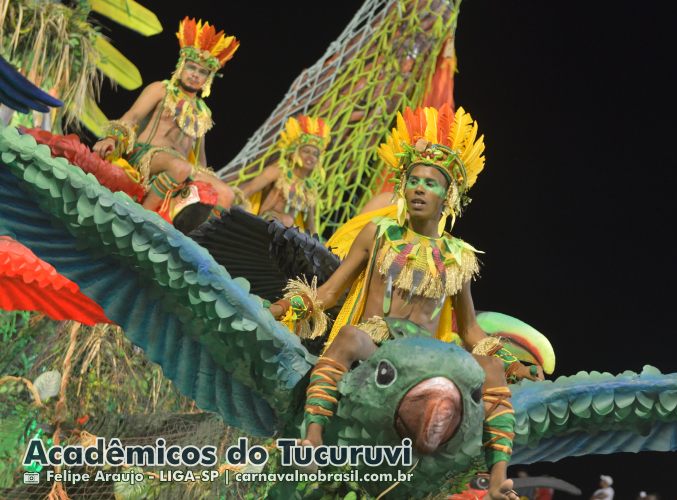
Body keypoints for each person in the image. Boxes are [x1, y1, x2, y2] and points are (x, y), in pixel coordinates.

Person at [271, 105, 542, 500]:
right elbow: (329, 293)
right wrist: (280, 310)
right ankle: (313, 437)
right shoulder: (377, 233)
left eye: (430, 183)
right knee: (347, 336)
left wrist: (511, 364)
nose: (419, 188)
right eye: (413, 180)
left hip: (430, 355)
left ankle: (499, 478)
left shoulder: (459, 256)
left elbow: (469, 331)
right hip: (378, 340)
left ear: (447, 194)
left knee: (489, 371)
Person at [93, 17, 238, 222]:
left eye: (202, 72)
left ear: (208, 78)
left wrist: (210, 179)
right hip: (148, 156)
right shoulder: (161, 89)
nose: (195, 75)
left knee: (226, 194)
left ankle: (203, 237)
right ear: (181, 66)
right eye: (191, 67)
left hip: (180, 166)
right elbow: (132, 117)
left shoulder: (203, 111)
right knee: (181, 167)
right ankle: (142, 217)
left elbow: (200, 157)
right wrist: (111, 138)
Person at [240, 115, 330, 233]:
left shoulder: (309, 188)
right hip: (265, 224)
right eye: (306, 151)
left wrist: (318, 245)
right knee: (284, 220)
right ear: (294, 153)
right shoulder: (278, 171)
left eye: (315, 154)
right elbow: (248, 189)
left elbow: (310, 226)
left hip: (287, 234)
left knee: (289, 222)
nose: (310, 157)